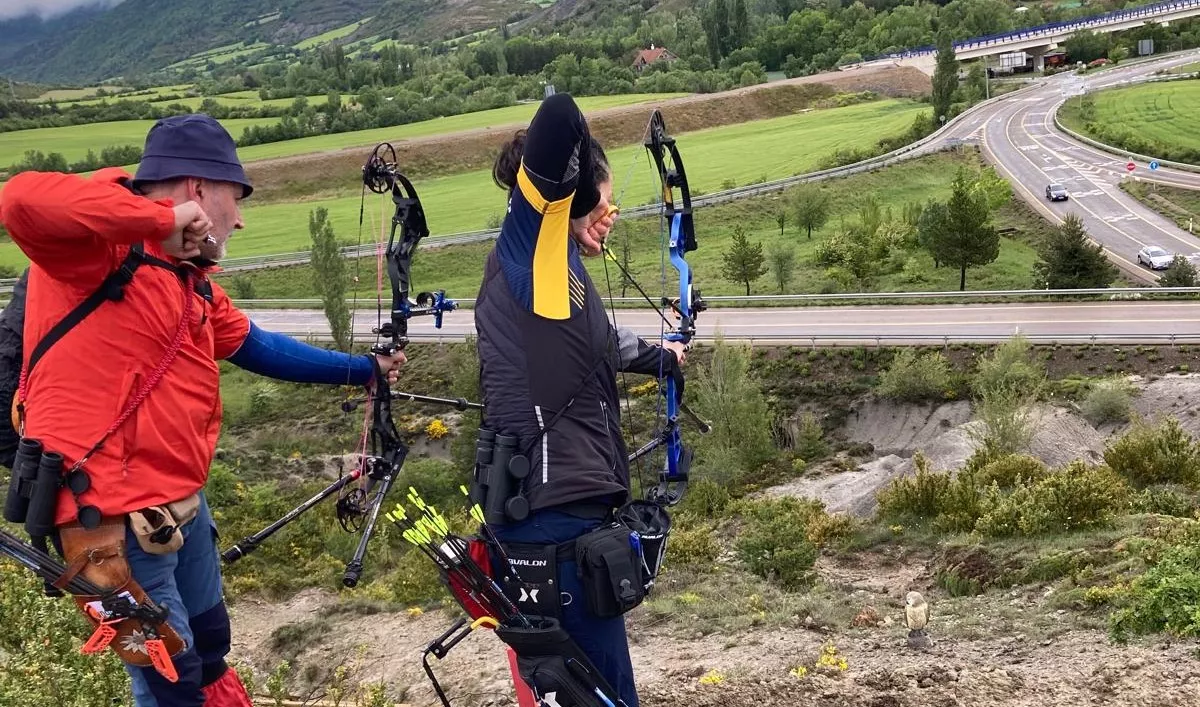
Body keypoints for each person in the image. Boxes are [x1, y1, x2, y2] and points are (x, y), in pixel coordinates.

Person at [0, 113, 406, 707]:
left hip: (181, 509)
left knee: (210, 644)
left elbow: (257, 346)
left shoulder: (189, 282)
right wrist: (160, 220)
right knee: (171, 677)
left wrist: (363, 369)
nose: (239, 218)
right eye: (233, 199)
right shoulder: (96, 259)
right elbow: (20, 200)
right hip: (111, 524)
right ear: (197, 190)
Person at [474, 92, 687, 707]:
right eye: (603, 199)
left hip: (555, 517)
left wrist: (662, 356)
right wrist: (577, 204)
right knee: (600, 697)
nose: (609, 213)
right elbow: (559, 114)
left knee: (578, 692)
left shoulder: (554, 272)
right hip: (554, 524)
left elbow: (596, 346)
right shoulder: (531, 250)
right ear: (569, 197)